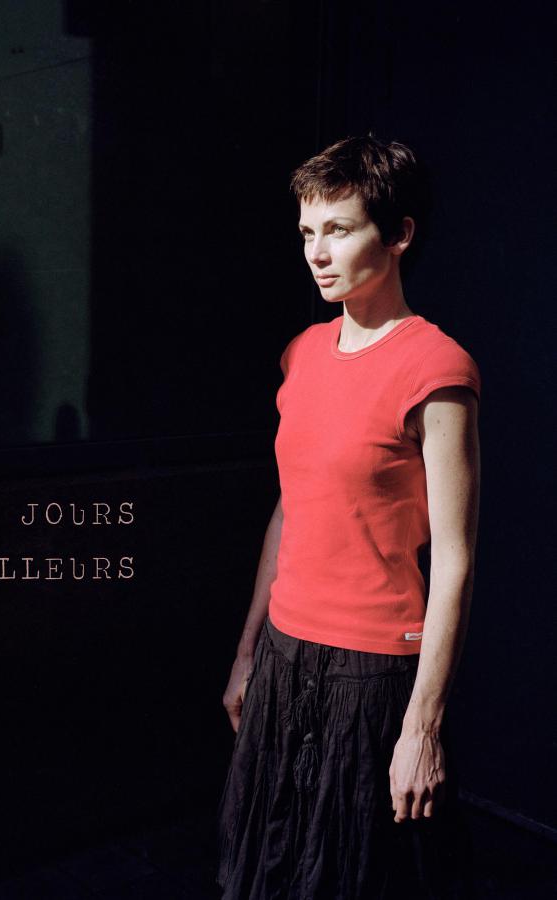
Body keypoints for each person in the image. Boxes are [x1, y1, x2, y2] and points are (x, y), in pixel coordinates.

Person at [217, 137, 480, 898]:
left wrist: (422, 727)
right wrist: (248, 650)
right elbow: (291, 507)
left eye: (339, 229)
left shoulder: (436, 368)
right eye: (308, 231)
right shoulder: (302, 353)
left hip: (372, 674)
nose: (317, 252)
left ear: (398, 235)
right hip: (283, 657)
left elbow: (455, 559)